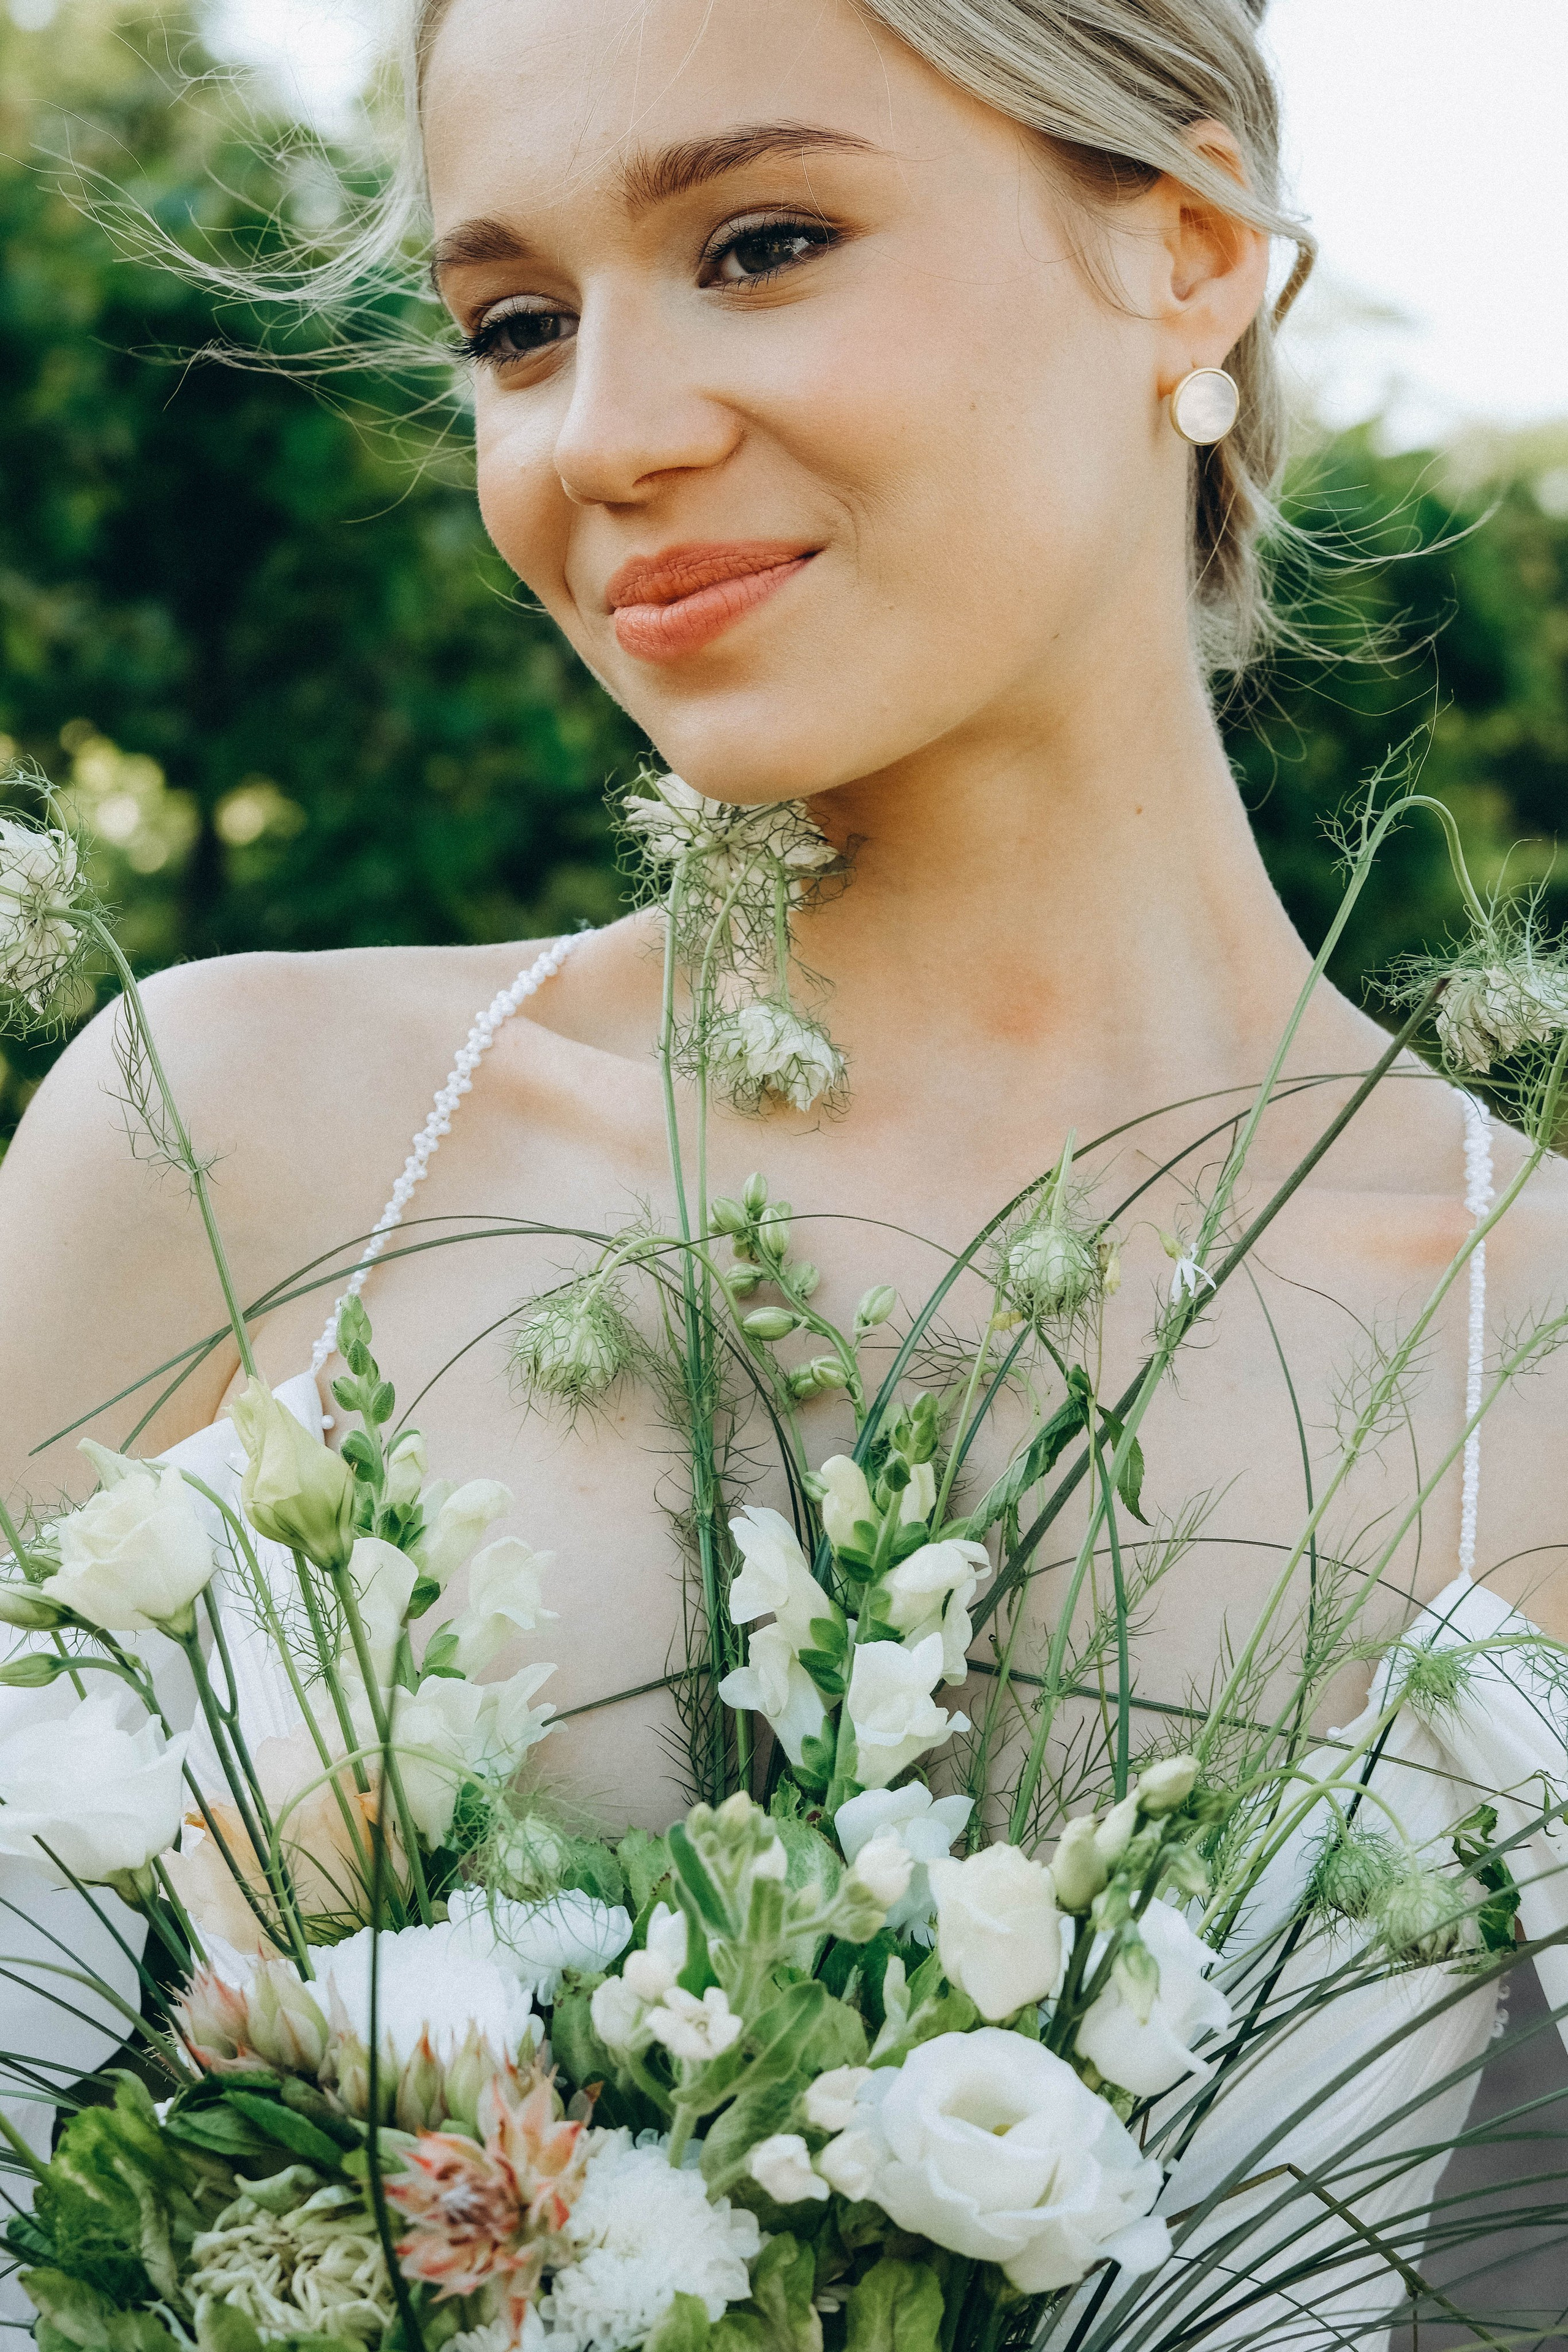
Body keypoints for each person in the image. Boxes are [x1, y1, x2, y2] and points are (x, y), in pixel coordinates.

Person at [1, 1, 1566, 2334]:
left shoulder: (1523, 1357)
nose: (601, 437)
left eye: (762, 241)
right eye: (513, 325)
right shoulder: (232, 1146)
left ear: (1197, 254)